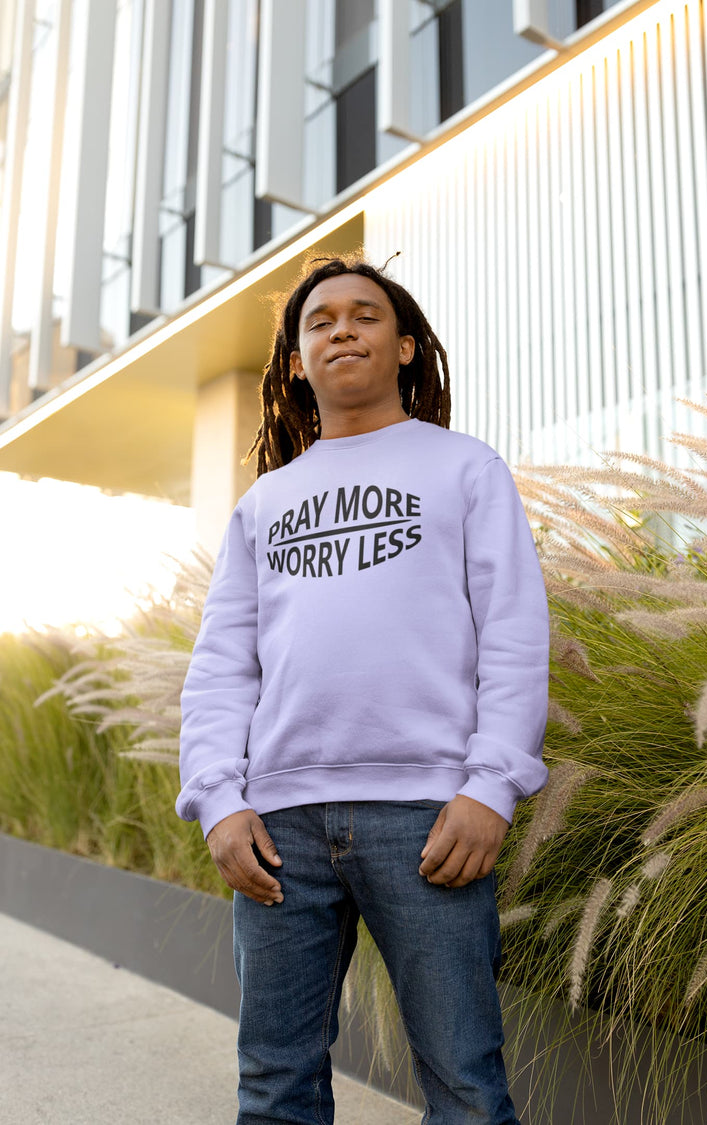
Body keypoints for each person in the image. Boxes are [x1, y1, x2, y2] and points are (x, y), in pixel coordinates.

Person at [176, 255, 550, 1125]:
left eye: (365, 314)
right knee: (274, 1086)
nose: (340, 328)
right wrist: (219, 803)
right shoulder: (264, 503)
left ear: (407, 346)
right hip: (277, 834)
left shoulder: (465, 468)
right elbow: (222, 664)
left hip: (428, 818)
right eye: (319, 321)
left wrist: (491, 786)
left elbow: (515, 633)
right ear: (297, 361)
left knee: (463, 1081)